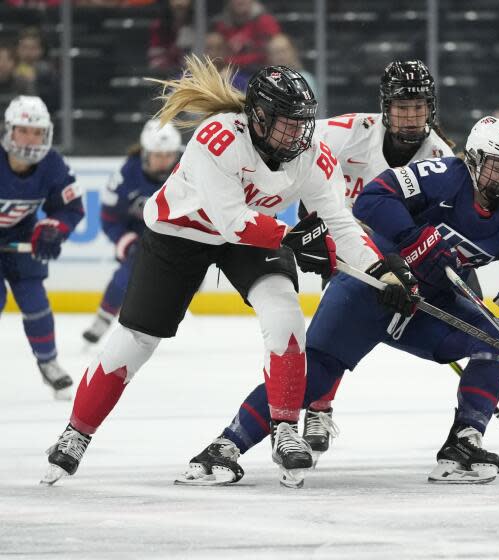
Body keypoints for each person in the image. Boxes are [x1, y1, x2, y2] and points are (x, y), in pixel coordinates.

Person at [41, 55, 414, 488]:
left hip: (259, 233)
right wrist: (293, 237)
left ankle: (286, 428)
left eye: (303, 123)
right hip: (184, 233)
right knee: (137, 338)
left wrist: (382, 271)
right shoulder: (215, 140)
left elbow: (340, 222)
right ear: (257, 118)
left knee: (285, 313)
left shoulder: (312, 154)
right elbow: (231, 222)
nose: (298, 134)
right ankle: (76, 433)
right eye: (286, 123)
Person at [179, 62, 499, 486]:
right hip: (370, 280)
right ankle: (224, 447)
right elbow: (373, 197)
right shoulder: (436, 173)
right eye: (494, 167)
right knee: (315, 372)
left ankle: (465, 442)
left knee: (494, 337)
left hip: (424, 304)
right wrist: (412, 244)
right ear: (473, 162)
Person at [0, 95, 85, 399]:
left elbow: (71, 207)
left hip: (22, 237)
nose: (30, 138)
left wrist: (53, 229)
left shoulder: (52, 164)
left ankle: (48, 362)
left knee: (36, 303)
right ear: (9, 130)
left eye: (37, 132)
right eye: (24, 130)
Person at [82, 119, 182, 344]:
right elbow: (109, 219)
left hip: (183, 233)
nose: (165, 161)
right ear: (145, 153)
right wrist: (125, 241)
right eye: (158, 155)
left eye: (169, 155)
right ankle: (103, 319)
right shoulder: (125, 175)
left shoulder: (189, 164)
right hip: (142, 236)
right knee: (129, 272)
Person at [213, 0, 281, 70]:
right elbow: (217, 55)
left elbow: (274, 53)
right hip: (230, 72)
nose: (240, 1)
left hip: (262, 72)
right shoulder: (222, 26)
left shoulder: (266, 22)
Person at [266, 33, 318, 101]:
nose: (280, 56)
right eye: (275, 52)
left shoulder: (305, 79)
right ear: (269, 57)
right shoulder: (264, 81)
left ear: (293, 51)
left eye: (283, 51)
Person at [147, 0, 195, 70]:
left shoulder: (200, 25)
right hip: (166, 74)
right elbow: (154, 62)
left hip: (192, 73)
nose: (179, 3)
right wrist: (174, 51)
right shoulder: (158, 26)